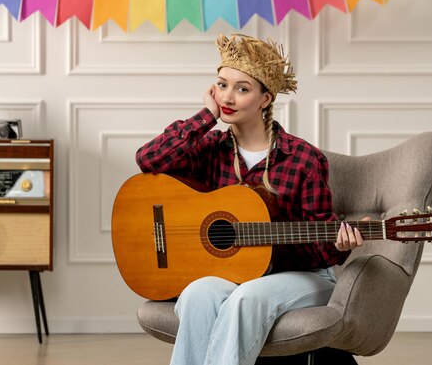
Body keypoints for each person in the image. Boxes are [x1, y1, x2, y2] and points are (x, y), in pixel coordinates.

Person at [135, 34, 363, 365]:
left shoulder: (302, 158)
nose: (228, 96)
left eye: (242, 89)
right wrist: (205, 116)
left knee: (246, 298)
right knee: (199, 293)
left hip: (304, 276)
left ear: (265, 99)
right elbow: (148, 159)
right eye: (222, 84)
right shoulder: (209, 149)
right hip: (237, 274)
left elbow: (319, 245)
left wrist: (339, 244)